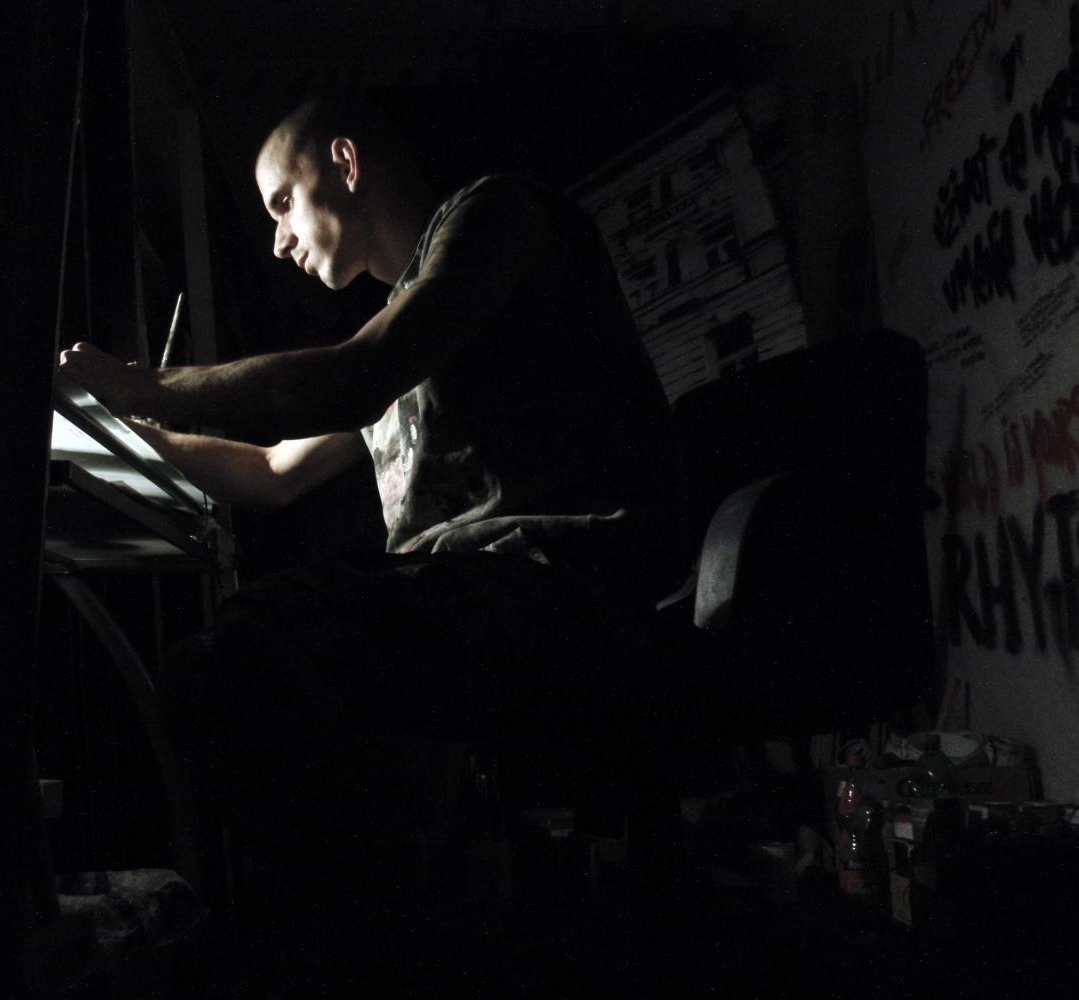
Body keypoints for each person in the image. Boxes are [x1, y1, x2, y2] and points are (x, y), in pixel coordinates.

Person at [60, 94, 687, 985]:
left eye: (282, 202)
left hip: (563, 586)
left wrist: (147, 385)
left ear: (346, 164)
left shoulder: (493, 217)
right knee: (215, 664)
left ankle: (381, 949)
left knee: (248, 655)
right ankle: (401, 930)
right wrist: (127, 431)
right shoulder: (403, 325)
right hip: (474, 601)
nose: (276, 240)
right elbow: (272, 471)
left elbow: (360, 375)